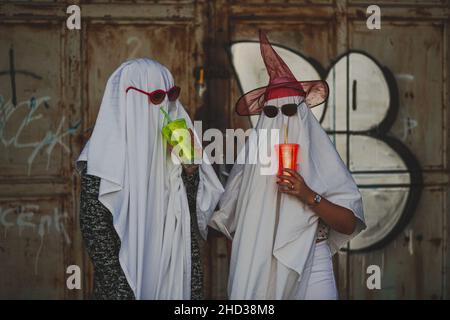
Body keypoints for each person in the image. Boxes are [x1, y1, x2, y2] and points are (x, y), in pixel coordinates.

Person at [209, 31, 366, 300]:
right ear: (263, 117)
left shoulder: (321, 157)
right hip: (258, 267)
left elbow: (349, 223)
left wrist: (308, 195)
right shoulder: (250, 162)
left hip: (312, 264)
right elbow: (228, 222)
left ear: (303, 114)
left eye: (291, 111)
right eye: (271, 112)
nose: (282, 119)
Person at [76, 58, 224, 300]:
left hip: (174, 274)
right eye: (156, 97)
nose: (166, 104)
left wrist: (190, 168)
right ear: (130, 99)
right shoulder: (105, 155)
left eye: (172, 94)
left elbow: (193, 214)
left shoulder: (178, 140)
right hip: (127, 283)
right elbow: (95, 229)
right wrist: (122, 288)